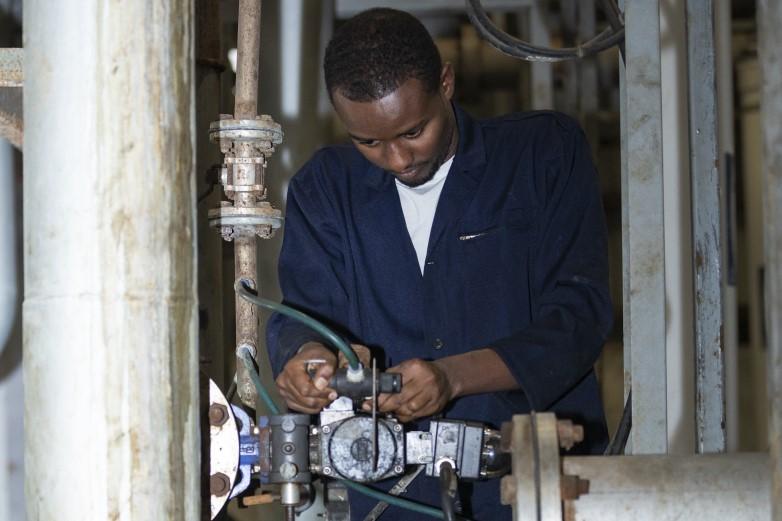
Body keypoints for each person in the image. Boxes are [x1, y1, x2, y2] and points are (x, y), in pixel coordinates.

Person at [267, 7, 612, 520]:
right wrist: (308, 357)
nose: (397, 159)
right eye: (369, 142)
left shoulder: (541, 155)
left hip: (537, 488)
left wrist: (452, 378)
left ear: (445, 84)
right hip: (389, 500)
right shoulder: (325, 190)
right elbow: (303, 314)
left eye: (413, 131)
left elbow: (579, 317)